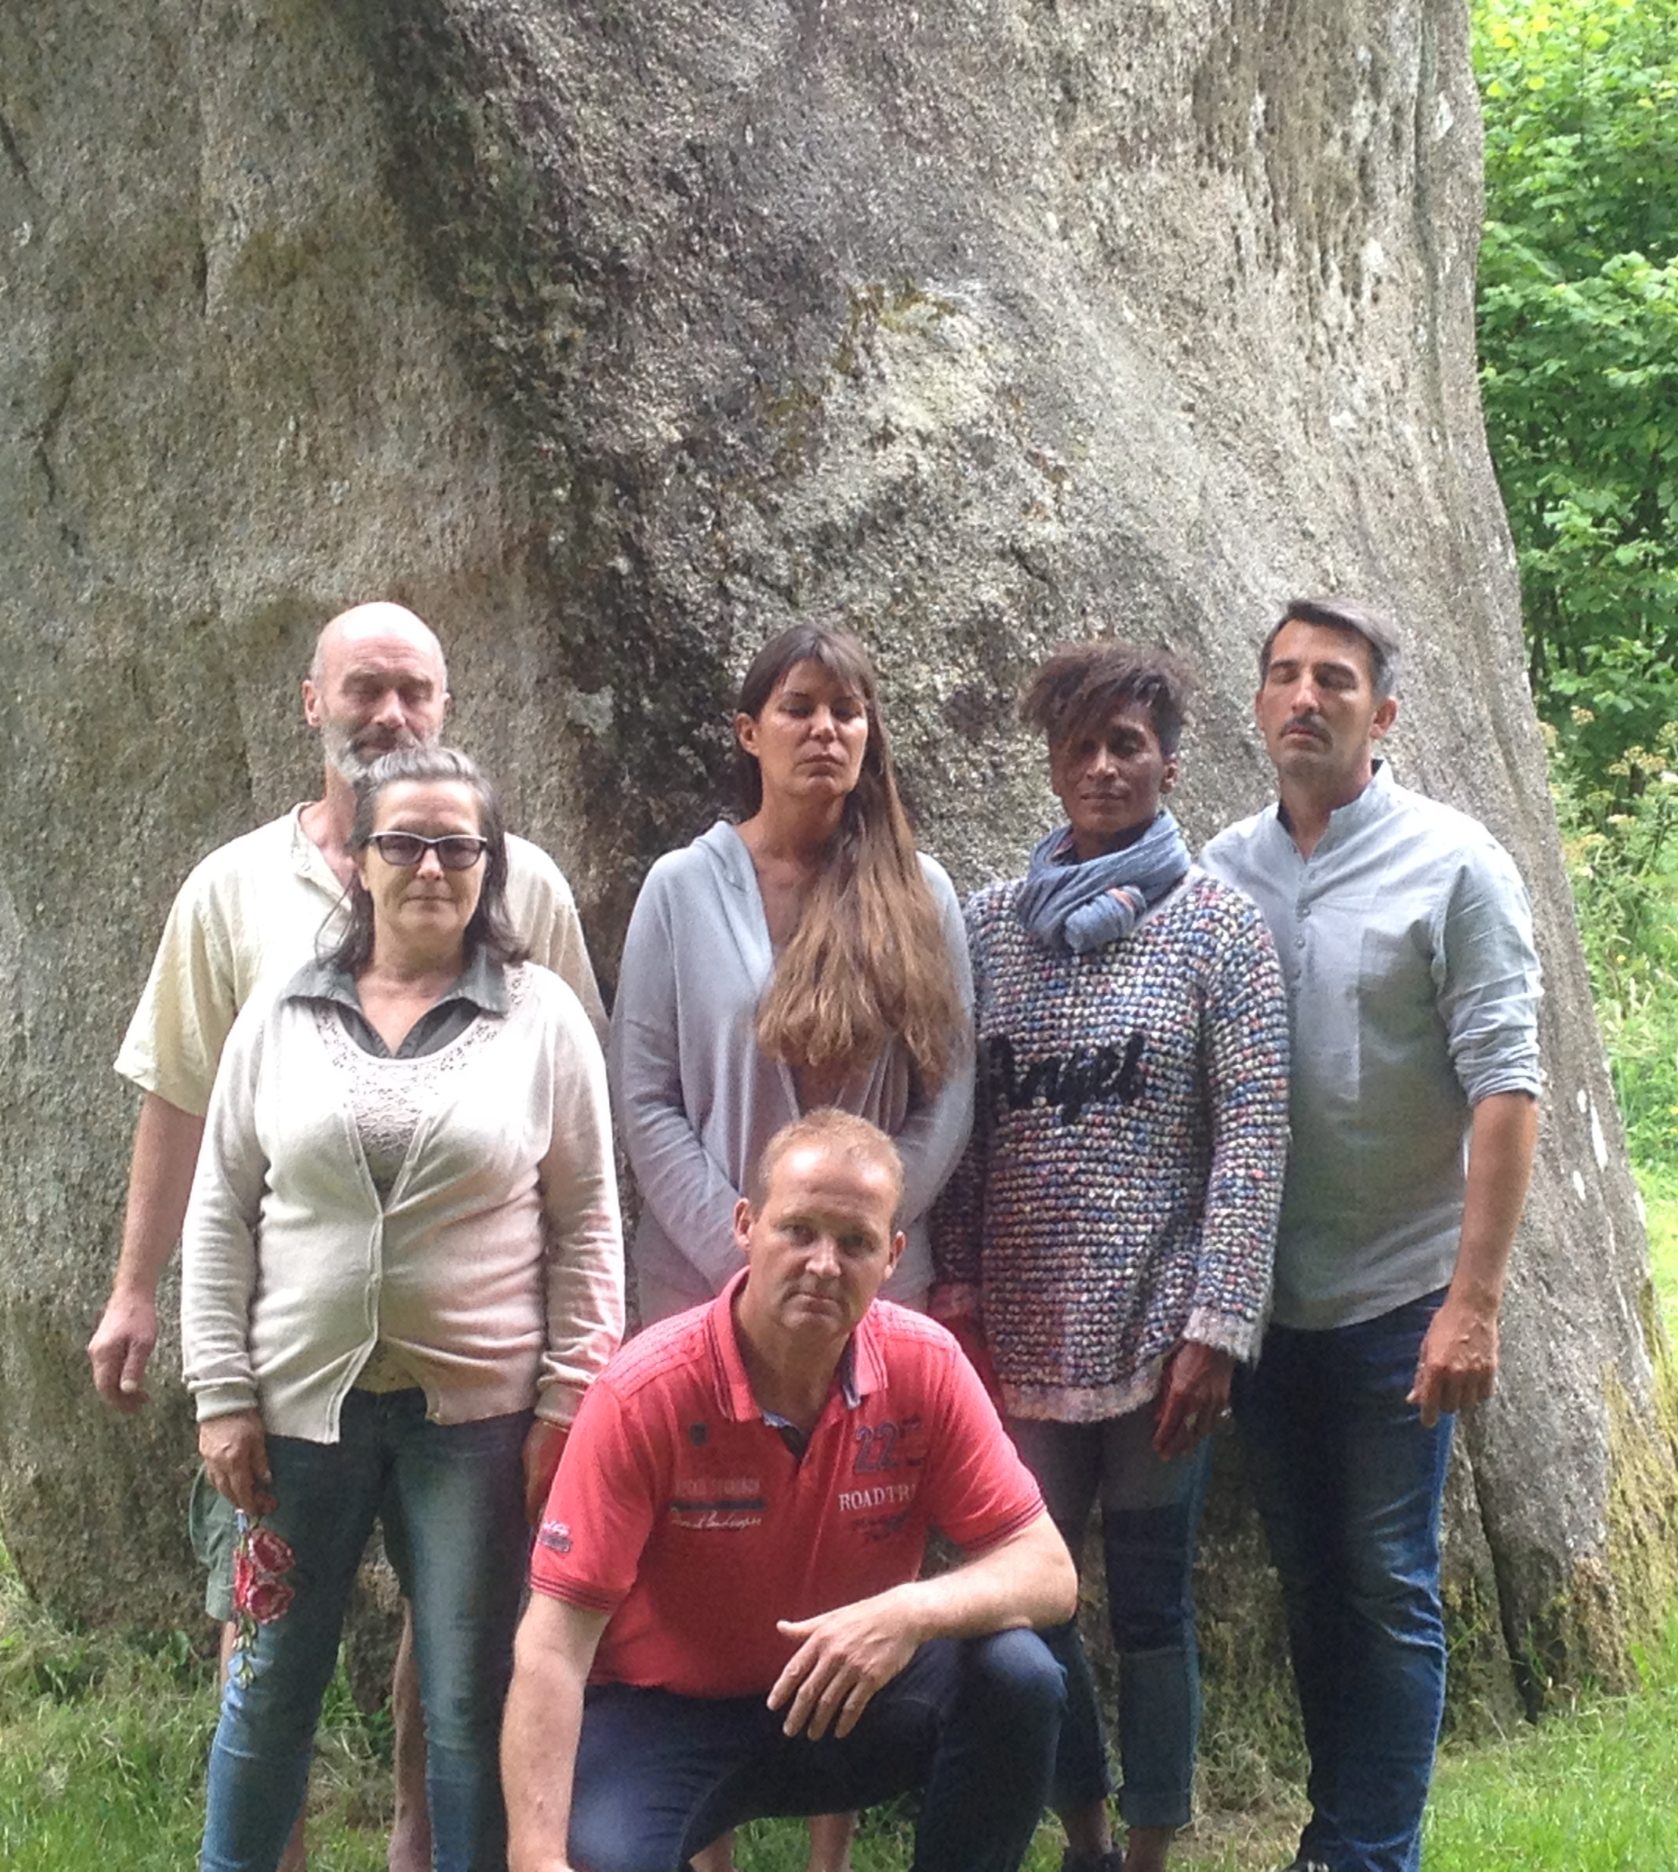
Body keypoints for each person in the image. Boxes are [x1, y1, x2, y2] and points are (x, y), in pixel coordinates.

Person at [93, 600, 604, 1871]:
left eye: (456, 848)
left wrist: (571, 1390)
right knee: (266, 1677)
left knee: (465, 1689)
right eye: (364, 688)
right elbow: (201, 1147)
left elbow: (584, 1197)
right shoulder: (258, 948)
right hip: (293, 1399)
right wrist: (199, 1364)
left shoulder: (535, 962)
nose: (431, 869)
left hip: (472, 1405)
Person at [609, 620, 975, 1872]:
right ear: (747, 731)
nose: (827, 730)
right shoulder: (679, 887)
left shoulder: (917, 896)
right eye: (802, 707)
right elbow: (644, 1091)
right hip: (698, 1283)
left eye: (849, 711)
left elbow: (948, 1092)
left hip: (869, 1295)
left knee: (857, 1549)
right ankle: (699, 1835)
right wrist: (746, 1259)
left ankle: (830, 1846)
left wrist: (854, 1248)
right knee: (699, 1555)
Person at [929, 642, 1290, 1872]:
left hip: (1157, 1339)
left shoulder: (1221, 932)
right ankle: (1077, 1832)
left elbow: (1252, 1135)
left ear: (1168, 763)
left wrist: (1217, 1326)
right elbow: (963, 1130)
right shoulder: (987, 929)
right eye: (1078, 745)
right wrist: (959, 1292)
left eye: (1124, 744)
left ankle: (1147, 1851)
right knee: (1040, 1603)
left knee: (1147, 1606)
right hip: (1018, 1334)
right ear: (1049, 765)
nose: (1099, 766)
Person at [500, 1110, 1075, 1872]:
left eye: (856, 1242)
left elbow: (1048, 1570)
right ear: (746, 1225)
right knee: (602, 1859)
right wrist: (536, 1859)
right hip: (665, 1714)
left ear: (893, 1255)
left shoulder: (926, 1366)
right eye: (798, 1230)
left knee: (1021, 1675)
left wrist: (908, 1612)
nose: (824, 1264)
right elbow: (553, 1644)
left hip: (845, 1701)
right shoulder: (644, 1394)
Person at [1201, 599, 1544, 1872]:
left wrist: (1476, 1301)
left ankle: (1367, 1851)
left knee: (1387, 1586)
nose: (1304, 698)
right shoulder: (1221, 865)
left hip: (1400, 1292)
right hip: (1263, 1299)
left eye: (1333, 680)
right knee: (1310, 1582)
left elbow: (1507, 1087)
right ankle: (1335, 1835)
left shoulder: (1455, 866)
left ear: (1381, 713)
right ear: (1257, 706)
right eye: (1283, 676)